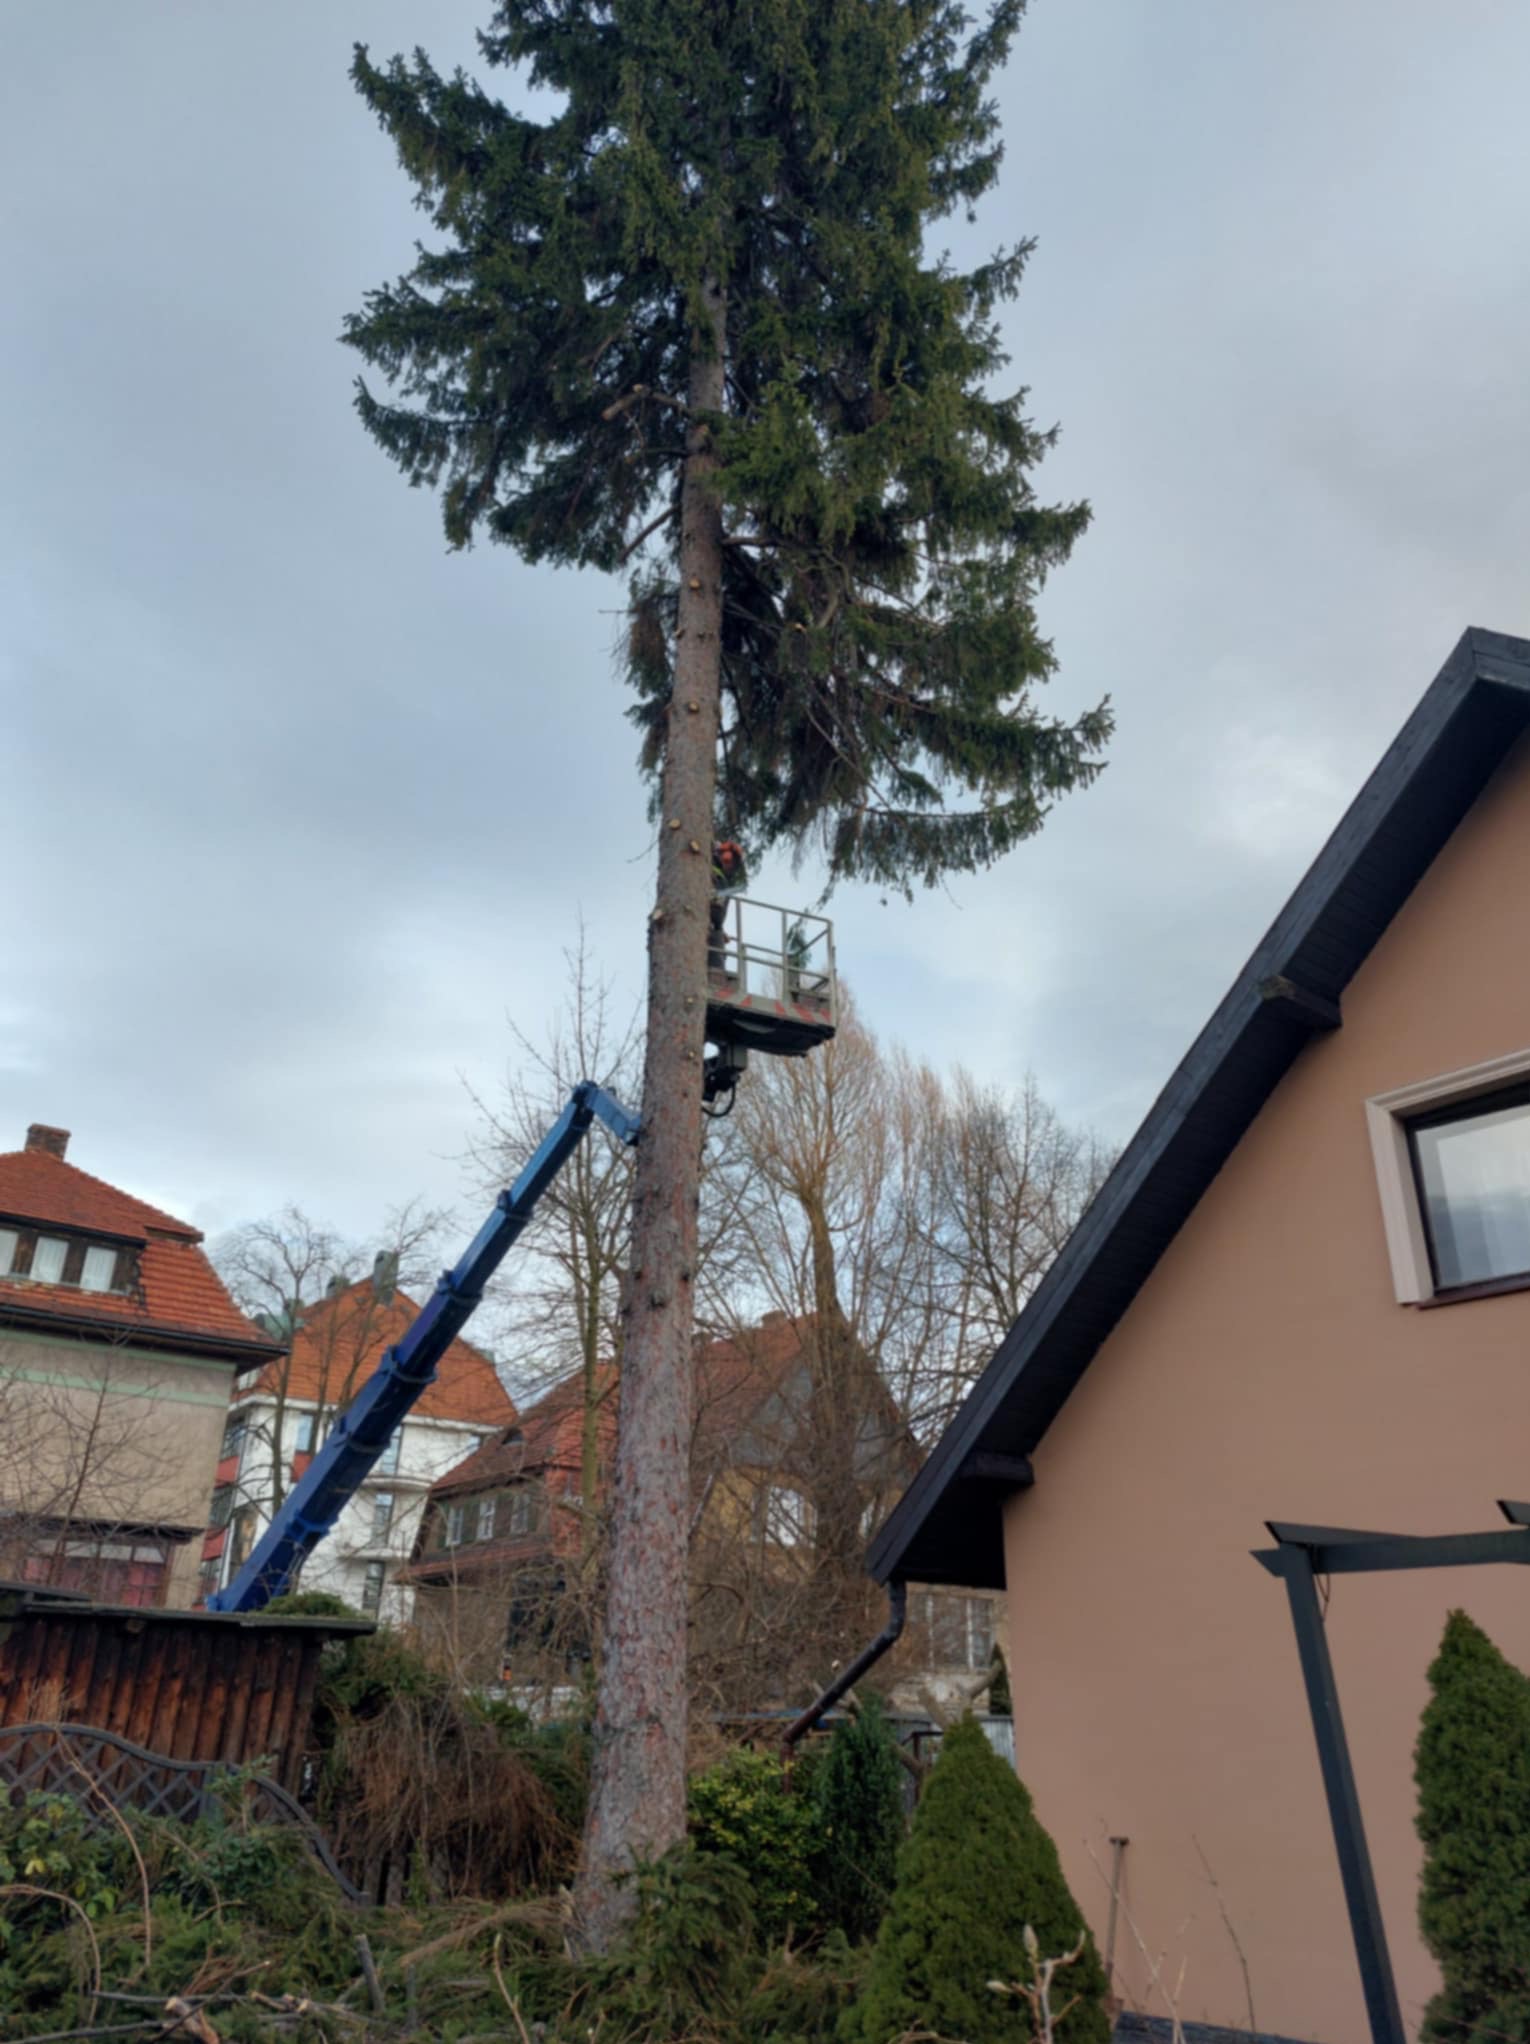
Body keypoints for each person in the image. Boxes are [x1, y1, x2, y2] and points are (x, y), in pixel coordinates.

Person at [709, 840, 747, 977]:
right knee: (716, 969)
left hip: (713, 925)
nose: (730, 866)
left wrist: (721, 928)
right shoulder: (713, 873)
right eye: (728, 861)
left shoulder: (722, 877)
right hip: (710, 927)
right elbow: (713, 907)